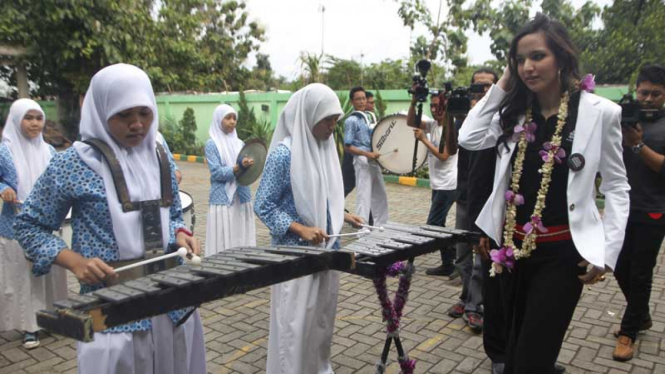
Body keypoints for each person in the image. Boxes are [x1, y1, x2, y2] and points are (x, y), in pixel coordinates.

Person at [459, 13, 629, 373]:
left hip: (561, 256)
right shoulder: (514, 113)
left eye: (537, 56)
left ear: (562, 57)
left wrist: (607, 252)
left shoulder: (600, 113)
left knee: (533, 357)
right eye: (519, 60)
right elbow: (468, 137)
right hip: (510, 251)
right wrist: (504, 83)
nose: (527, 67)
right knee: (509, 347)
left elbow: (616, 186)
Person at [15, 64, 206, 374]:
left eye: (144, 113)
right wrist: (74, 261)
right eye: (124, 115)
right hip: (113, 312)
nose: (137, 124)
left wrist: (180, 232)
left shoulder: (160, 155)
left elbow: (169, 214)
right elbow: (29, 226)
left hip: (173, 303)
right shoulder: (72, 164)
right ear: (101, 111)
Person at [254, 83, 363, 374]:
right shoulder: (284, 155)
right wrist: (300, 229)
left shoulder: (323, 148)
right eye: (327, 119)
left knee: (320, 325)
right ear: (308, 116)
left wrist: (344, 215)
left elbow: (321, 196)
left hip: (325, 253)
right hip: (294, 261)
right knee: (295, 327)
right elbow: (262, 204)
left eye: (335, 120)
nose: (332, 127)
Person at [0, 99, 68, 349]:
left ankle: (54, 317)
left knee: (51, 273)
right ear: (17, 120)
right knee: (24, 276)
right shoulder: (4, 151)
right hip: (15, 224)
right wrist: (4, 188)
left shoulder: (49, 151)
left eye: (38, 118)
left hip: (47, 223)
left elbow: (58, 182)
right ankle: (30, 327)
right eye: (29, 118)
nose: (34, 123)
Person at [612, 64, 665, 362]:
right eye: (644, 92)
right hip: (622, 208)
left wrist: (638, 145)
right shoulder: (623, 121)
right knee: (618, 266)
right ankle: (641, 314)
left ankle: (628, 332)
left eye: (655, 94)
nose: (648, 99)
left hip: (654, 211)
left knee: (640, 275)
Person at [446, 69, 498, 335]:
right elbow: (451, 149)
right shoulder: (467, 118)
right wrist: (450, 118)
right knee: (462, 253)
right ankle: (466, 297)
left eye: (487, 87)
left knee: (481, 254)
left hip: (489, 197)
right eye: (476, 88)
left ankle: (476, 307)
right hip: (465, 193)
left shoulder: (501, 118)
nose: (481, 92)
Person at [406, 91, 458, 278]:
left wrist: (424, 140)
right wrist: (414, 100)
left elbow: (444, 155)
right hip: (439, 184)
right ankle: (450, 262)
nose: (436, 110)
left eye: (440, 106)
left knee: (433, 225)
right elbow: (411, 122)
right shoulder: (433, 124)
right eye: (433, 106)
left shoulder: (450, 129)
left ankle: (454, 255)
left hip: (448, 185)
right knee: (439, 225)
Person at [204, 104, 256, 255]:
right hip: (222, 199)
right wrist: (238, 168)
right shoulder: (212, 144)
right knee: (223, 239)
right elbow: (216, 173)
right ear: (218, 119)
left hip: (242, 195)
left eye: (234, 118)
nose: (232, 121)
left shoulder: (239, 144)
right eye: (228, 118)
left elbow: (246, 172)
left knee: (241, 235)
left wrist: (249, 166)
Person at [344, 86, 389, 225]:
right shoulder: (351, 121)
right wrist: (366, 154)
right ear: (352, 102)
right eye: (358, 99)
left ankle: (381, 224)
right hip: (362, 159)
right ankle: (362, 228)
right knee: (363, 196)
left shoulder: (369, 116)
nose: (362, 101)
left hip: (373, 159)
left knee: (380, 194)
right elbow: (348, 146)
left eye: (363, 98)